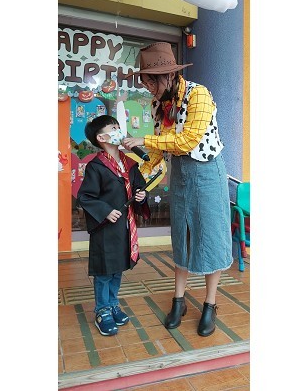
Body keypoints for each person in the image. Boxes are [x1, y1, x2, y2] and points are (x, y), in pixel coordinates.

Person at [123, 42, 233, 337]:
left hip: (207, 172)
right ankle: (179, 301)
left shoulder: (199, 95)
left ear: (169, 76)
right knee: (181, 236)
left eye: (150, 82)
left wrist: (144, 140)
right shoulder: (159, 105)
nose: (147, 87)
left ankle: (210, 304)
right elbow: (159, 151)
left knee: (210, 236)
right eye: (144, 82)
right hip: (181, 174)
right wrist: (137, 175)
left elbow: (188, 140)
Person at [77, 115, 150, 336]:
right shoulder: (96, 166)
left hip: (124, 225)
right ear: (102, 138)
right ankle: (102, 310)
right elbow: (86, 196)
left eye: (119, 127)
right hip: (105, 227)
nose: (119, 131)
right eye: (114, 127)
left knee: (118, 267)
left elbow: (139, 186)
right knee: (104, 270)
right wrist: (106, 211)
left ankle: (113, 303)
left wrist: (141, 195)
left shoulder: (130, 163)